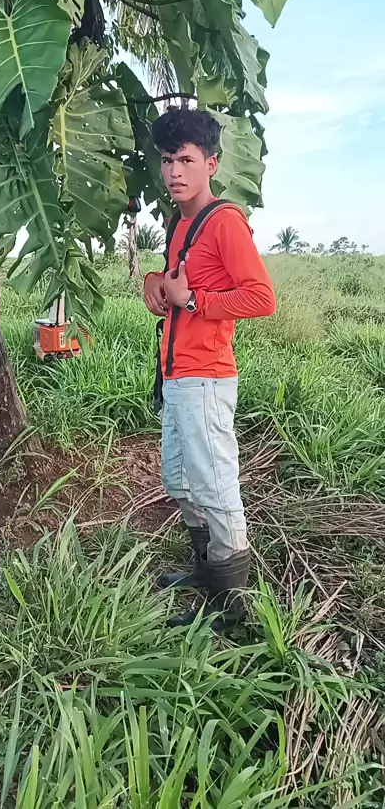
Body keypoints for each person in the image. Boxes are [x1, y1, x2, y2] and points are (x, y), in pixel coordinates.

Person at [143, 106, 276, 628]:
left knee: (216, 489)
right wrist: (156, 281)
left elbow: (261, 297)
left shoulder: (225, 223)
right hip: (176, 376)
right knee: (179, 482)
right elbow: (175, 281)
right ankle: (206, 568)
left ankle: (231, 607)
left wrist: (194, 300)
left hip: (206, 379)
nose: (174, 172)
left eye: (186, 160)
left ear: (211, 164)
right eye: (167, 160)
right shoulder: (179, 224)